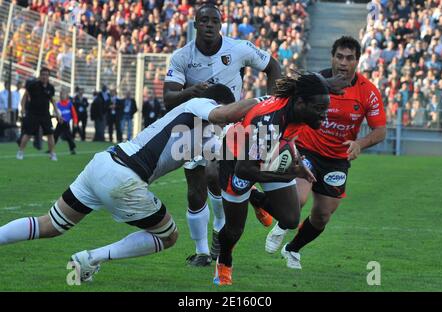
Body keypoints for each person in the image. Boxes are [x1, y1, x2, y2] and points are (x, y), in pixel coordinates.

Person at [0, 84, 259, 283]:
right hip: (124, 177)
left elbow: (226, 156)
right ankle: (90, 259)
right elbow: (225, 112)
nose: (227, 121)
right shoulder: (201, 103)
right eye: (226, 112)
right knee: (168, 236)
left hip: (103, 163)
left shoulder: (204, 134)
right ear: (219, 103)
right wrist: (264, 102)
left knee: (51, 224)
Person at [251, 36, 387, 270]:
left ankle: (292, 249)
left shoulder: (368, 92)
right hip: (306, 149)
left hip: (337, 160)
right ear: (332, 58)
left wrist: (360, 144)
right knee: (298, 199)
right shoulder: (316, 82)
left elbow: (381, 130)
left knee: (323, 215)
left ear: (357, 61)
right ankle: (281, 222)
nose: (344, 63)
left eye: (349, 58)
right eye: (339, 57)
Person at [163, 3, 282, 266]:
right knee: (195, 192)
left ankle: (220, 230)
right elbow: (168, 98)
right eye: (203, 20)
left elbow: (273, 66)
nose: (208, 25)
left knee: (215, 175)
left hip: (229, 124)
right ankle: (202, 252)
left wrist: (273, 105)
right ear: (195, 25)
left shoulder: (238, 48)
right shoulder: (182, 56)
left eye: (213, 21)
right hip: (192, 125)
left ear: (221, 24)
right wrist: (190, 92)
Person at [214, 73, 333, 286]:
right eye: (319, 109)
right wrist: (290, 173)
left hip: (268, 153)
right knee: (234, 230)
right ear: (300, 103)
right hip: (236, 160)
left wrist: (297, 160)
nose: (323, 115)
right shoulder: (269, 122)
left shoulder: (300, 108)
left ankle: (257, 198)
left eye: (325, 109)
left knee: (290, 218)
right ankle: (224, 260)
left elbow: (287, 136)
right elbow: (245, 169)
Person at [16, 67, 62, 161]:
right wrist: (23, 109)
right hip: (32, 114)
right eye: (43, 75)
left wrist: (57, 113)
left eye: (46, 75)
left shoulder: (51, 87)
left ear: (49, 76)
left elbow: (52, 101)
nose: (44, 77)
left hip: (45, 114)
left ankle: (52, 154)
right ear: (40, 76)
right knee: (27, 134)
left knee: (50, 134)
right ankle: (20, 152)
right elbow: (25, 96)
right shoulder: (33, 85)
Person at [54, 89, 77, 155]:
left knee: (68, 136)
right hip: (60, 122)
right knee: (55, 135)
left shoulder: (69, 104)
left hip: (66, 123)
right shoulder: (58, 104)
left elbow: (74, 114)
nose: (62, 96)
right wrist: (57, 118)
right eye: (61, 94)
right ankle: (51, 148)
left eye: (63, 94)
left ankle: (72, 149)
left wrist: (75, 122)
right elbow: (56, 114)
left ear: (66, 95)